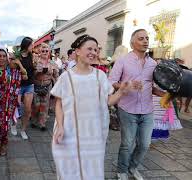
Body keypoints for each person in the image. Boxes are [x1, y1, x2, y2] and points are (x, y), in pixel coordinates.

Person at [51, 35, 131, 180]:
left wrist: (121, 92)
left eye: (96, 49)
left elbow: (108, 101)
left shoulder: (100, 76)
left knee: (92, 171)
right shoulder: (66, 77)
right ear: (78, 51)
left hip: (94, 135)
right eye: (89, 48)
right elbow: (59, 104)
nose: (93, 52)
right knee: (69, 169)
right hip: (69, 132)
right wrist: (61, 126)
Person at [109, 29, 165, 180]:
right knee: (127, 144)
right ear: (133, 42)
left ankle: (132, 167)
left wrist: (163, 94)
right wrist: (125, 86)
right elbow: (111, 81)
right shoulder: (122, 60)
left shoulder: (153, 63)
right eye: (141, 38)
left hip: (147, 110)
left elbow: (151, 86)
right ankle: (122, 171)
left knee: (145, 144)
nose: (145, 41)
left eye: (147, 38)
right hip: (127, 108)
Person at [32, 43, 59, 131]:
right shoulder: (36, 62)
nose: (45, 52)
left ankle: (42, 123)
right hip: (37, 85)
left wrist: (57, 86)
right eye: (43, 51)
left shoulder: (52, 63)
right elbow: (31, 75)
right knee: (36, 105)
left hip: (47, 86)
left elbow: (56, 75)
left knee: (44, 105)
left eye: (46, 51)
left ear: (49, 52)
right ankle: (34, 120)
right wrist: (37, 72)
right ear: (40, 52)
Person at [16, 37, 35, 140]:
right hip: (18, 85)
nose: (33, 47)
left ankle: (23, 130)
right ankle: (13, 124)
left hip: (29, 85)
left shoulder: (32, 56)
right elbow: (12, 69)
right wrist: (21, 74)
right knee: (17, 108)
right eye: (32, 45)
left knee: (27, 110)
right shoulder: (17, 56)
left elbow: (33, 69)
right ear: (26, 45)